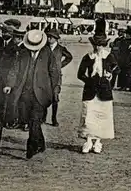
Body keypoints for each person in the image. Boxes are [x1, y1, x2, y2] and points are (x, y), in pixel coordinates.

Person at [5, 30, 60, 159]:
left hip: (41, 93)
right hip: (24, 92)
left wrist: (54, 90)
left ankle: (31, 147)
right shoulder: (23, 54)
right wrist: (9, 84)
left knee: (35, 119)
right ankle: (41, 143)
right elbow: (14, 69)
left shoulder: (48, 54)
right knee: (29, 120)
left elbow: (54, 73)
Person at [77, 19, 119, 154]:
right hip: (90, 91)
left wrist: (110, 75)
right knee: (88, 116)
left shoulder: (109, 56)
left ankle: (98, 142)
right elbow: (80, 74)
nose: (98, 48)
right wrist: (89, 81)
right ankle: (88, 141)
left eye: (101, 45)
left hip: (104, 92)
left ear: (104, 45)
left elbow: (116, 69)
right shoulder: (87, 57)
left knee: (102, 117)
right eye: (96, 45)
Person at [0, 18, 23, 128]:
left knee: (9, 101)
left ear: (11, 34)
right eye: (3, 32)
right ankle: (0, 120)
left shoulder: (15, 47)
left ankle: (9, 121)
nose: (4, 34)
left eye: (7, 32)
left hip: (9, 78)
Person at [42, 28, 73, 127]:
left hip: (56, 77)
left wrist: (60, 65)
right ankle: (43, 117)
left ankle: (54, 118)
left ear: (56, 38)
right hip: (45, 76)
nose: (49, 38)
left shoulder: (60, 49)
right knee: (44, 96)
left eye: (51, 37)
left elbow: (69, 57)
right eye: (48, 36)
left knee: (55, 97)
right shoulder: (44, 47)